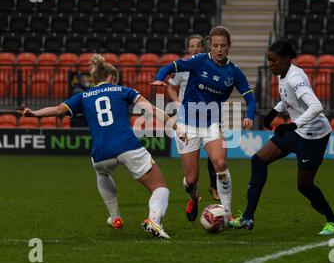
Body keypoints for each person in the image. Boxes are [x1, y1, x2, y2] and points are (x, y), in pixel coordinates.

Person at [18, 54, 176, 239]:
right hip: (127, 146)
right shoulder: (124, 90)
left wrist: (34, 113)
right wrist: (175, 125)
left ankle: (115, 217)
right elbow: (152, 110)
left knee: (102, 172)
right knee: (160, 188)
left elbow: (58, 110)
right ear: (112, 77)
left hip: (100, 153)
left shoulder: (83, 96)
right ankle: (154, 221)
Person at [232, 40, 334, 236]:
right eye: (268, 60)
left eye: (273, 61)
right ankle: (247, 217)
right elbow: (287, 98)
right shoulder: (284, 73)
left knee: (304, 186)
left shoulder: (295, 78)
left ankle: (332, 220)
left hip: (314, 135)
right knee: (258, 160)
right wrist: (274, 111)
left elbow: (316, 106)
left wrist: (292, 124)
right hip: (297, 131)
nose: (270, 64)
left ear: (286, 60)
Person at [152, 26, 256, 222]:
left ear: (229, 47)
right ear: (210, 45)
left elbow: (250, 98)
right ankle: (193, 197)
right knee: (191, 180)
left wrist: (249, 114)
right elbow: (171, 67)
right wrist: (159, 78)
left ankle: (227, 213)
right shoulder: (199, 61)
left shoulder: (234, 72)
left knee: (220, 163)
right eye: (215, 45)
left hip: (212, 123)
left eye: (223, 46)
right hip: (187, 124)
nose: (219, 49)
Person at [167, 34, 219, 201]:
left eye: (198, 45)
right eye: (192, 46)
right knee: (191, 179)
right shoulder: (182, 67)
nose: (195, 48)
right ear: (188, 49)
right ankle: (192, 193)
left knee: (216, 158)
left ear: (203, 48)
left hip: (209, 117)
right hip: (187, 119)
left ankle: (214, 187)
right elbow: (171, 88)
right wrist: (177, 103)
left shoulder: (210, 65)